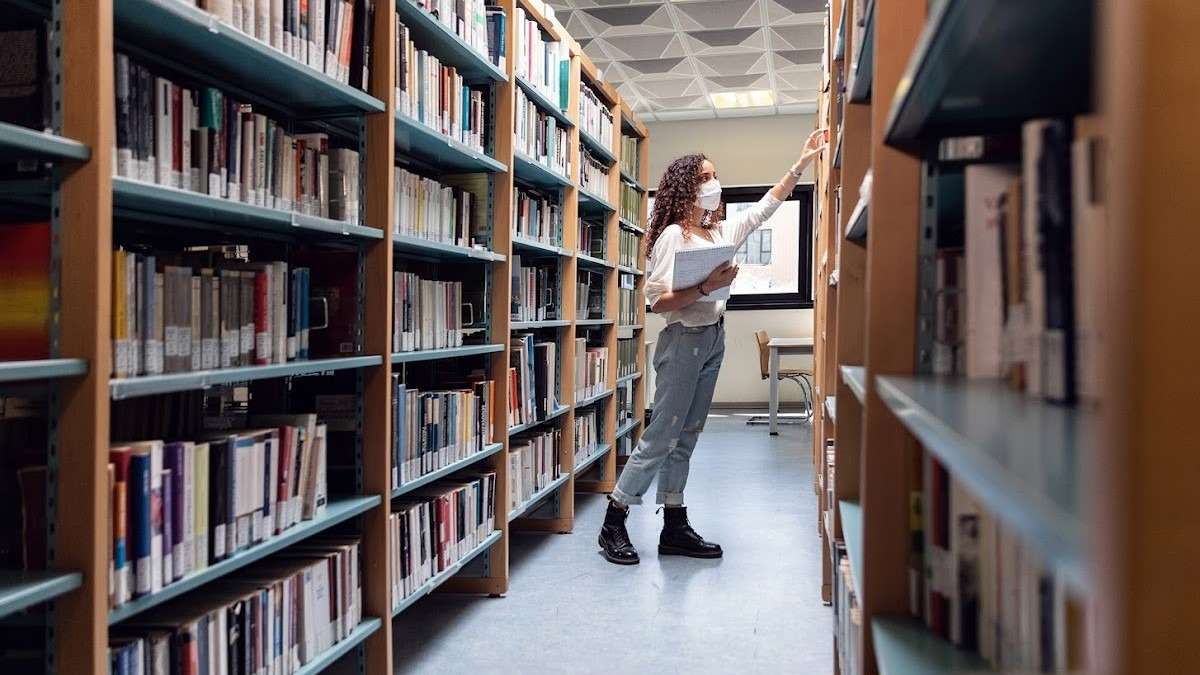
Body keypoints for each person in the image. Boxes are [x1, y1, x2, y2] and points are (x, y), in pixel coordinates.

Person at [598, 128, 829, 565]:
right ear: (687, 186)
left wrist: (801, 164)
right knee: (662, 434)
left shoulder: (718, 231)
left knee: (687, 434)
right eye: (705, 177)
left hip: (712, 339)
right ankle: (614, 518)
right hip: (682, 341)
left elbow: (766, 206)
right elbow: (657, 301)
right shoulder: (673, 236)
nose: (714, 183)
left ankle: (674, 523)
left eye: (715, 176)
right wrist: (707, 285)